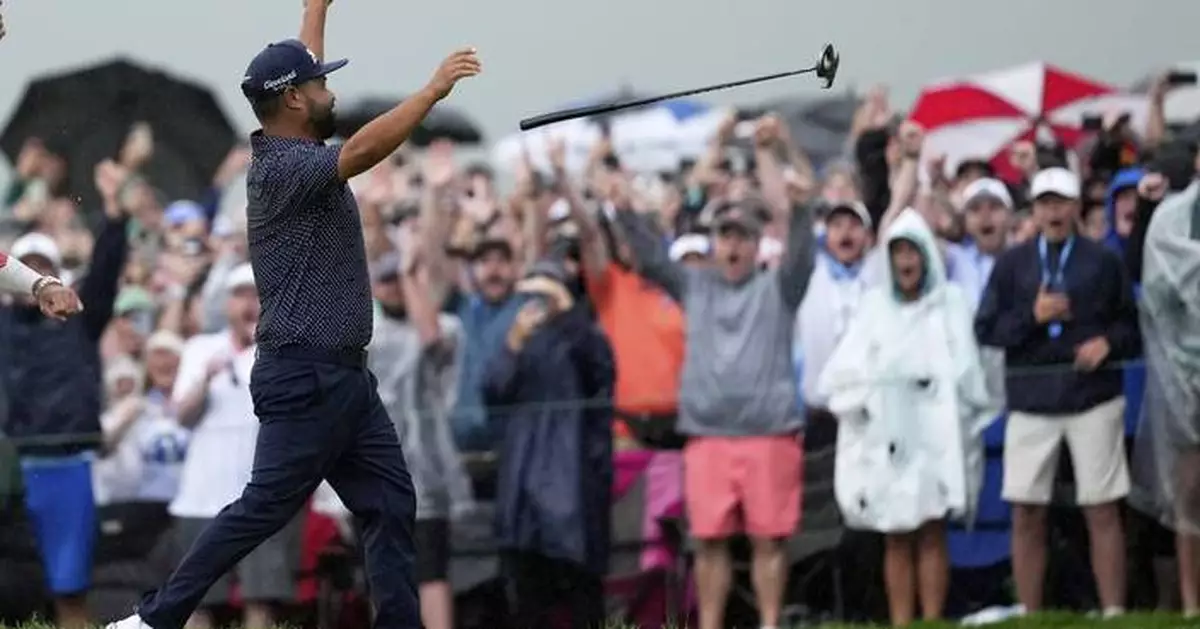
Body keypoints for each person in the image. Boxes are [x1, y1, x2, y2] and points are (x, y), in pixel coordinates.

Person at [107, 1, 482, 627]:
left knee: (391, 502)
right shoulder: (286, 168)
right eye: (320, 84)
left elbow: (306, 89)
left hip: (343, 380)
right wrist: (432, 92)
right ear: (294, 102)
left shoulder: (295, 144)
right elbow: (363, 149)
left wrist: (315, 9)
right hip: (305, 376)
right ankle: (153, 619)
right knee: (263, 507)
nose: (330, 90)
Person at [621, 192, 815, 629]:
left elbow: (803, 259)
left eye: (742, 237)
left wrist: (801, 210)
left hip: (769, 434)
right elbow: (652, 260)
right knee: (708, 541)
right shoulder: (694, 285)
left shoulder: (778, 286)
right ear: (713, 244)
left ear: (756, 244)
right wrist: (627, 210)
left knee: (769, 540)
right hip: (707, 436)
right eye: (725, 237)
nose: (733, 246)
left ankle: (769, 623)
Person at [975, 167, 1141, 619]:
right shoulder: (1013, 264)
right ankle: (1030, 611)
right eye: (1044, 202)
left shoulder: (1103, 261)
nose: (1053, 210)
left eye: (1061, 202)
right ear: (1034, 208)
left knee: (1101, 507)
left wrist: (1107, 343)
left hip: (1093, 397)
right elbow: (987, 328)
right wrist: (1032, 315)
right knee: (1026, 510)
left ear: (1074, 208)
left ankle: (1113, 610)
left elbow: (1132, 325)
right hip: (1032, 401)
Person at [818, 209, 997, 625]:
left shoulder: (949, 302)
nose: (905, 260)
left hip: (934, 439)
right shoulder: (874, 306)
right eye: (897, 251)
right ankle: (901, 621)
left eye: (912, 250)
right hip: (888, 441)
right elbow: (844, 371)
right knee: (896, 535)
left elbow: (968, 369)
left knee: (932, 531)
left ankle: (931, 620)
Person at [2, 222, 126, 629]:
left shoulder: (78, 316)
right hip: (9, 466)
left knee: (69, 587)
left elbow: (105, 271)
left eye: (43, 267)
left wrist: (115, 218)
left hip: (64, 461)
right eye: (30, 266)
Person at [483, 258, 615, 629]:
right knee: (527, 596)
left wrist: (568, 309)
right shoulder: (516, 335)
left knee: (582, 593)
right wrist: (512, 345)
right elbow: (493, 391)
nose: (538, 302)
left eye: (547, 291)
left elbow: (599, 373)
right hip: (522, 484)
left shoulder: (584, 336)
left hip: (573, 483)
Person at [1130, 172, 1200, 615]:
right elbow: (1156, 296)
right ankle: (1192, 605)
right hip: (1185, 381)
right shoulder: (1172, 219)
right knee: (1190, 499)